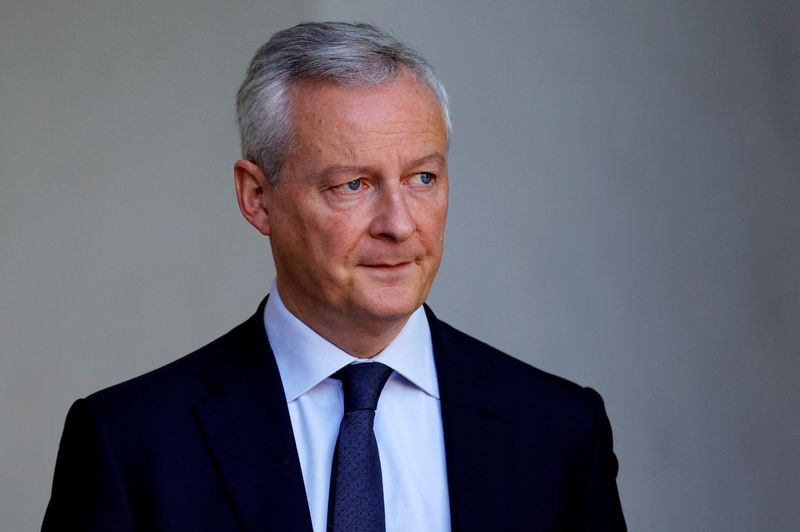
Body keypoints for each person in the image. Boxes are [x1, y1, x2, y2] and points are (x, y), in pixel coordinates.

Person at [42, 22, 626, 532]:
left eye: (423, 178)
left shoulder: (560, 432)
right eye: (353, 185)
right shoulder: (132, 444)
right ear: (256, 198)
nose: (399, 225)